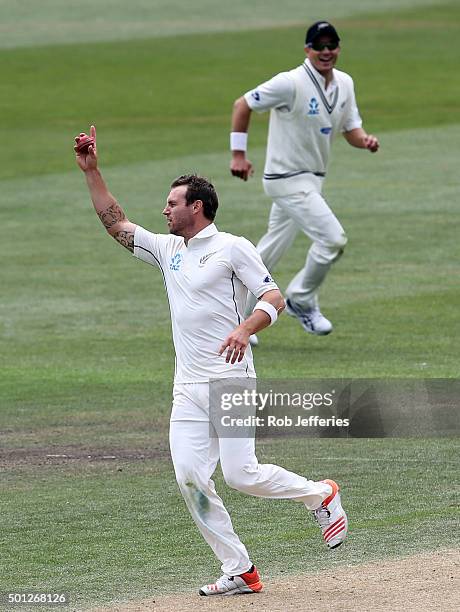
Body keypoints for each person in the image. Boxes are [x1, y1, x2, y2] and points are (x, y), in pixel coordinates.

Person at [75, 126, 348, 597]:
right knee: (190, 479)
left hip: (231, 381)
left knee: (243, 476)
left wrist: (245, 329)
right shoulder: (167, 250)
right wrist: (92, 170)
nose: (164, 209)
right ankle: (239, 568)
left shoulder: (232, 248)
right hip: (187, 387)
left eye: (172, 202)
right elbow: (115, 224)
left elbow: (273, 297)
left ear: (195, 207)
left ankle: (320, 494)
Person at [230, 20, 379, 344]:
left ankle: (234, 313)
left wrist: (365, 140)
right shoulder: (290, 83)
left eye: (332, 46)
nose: (326, 52)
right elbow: (243, 105)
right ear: (307, 49)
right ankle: (300, 297)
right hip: (285, 179)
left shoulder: (345, 84)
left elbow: (350, 128)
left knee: (267, 252)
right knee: (333, 240)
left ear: (338, 48)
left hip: (312, 180)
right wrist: (238, 155)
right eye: (319, 46)